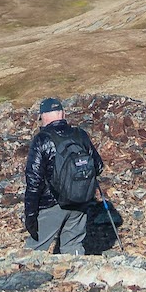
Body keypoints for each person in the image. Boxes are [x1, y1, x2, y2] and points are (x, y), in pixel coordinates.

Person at [23, 98, 103, 254]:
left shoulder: (42, 139)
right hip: (80, 201)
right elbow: (98, 166)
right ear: (63, 114)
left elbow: (34, 181)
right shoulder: (80, 134)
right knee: (73, 248)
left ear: (42, 116)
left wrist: (30, 215)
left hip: (52, 205)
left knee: (33, 253)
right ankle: (78, 276)